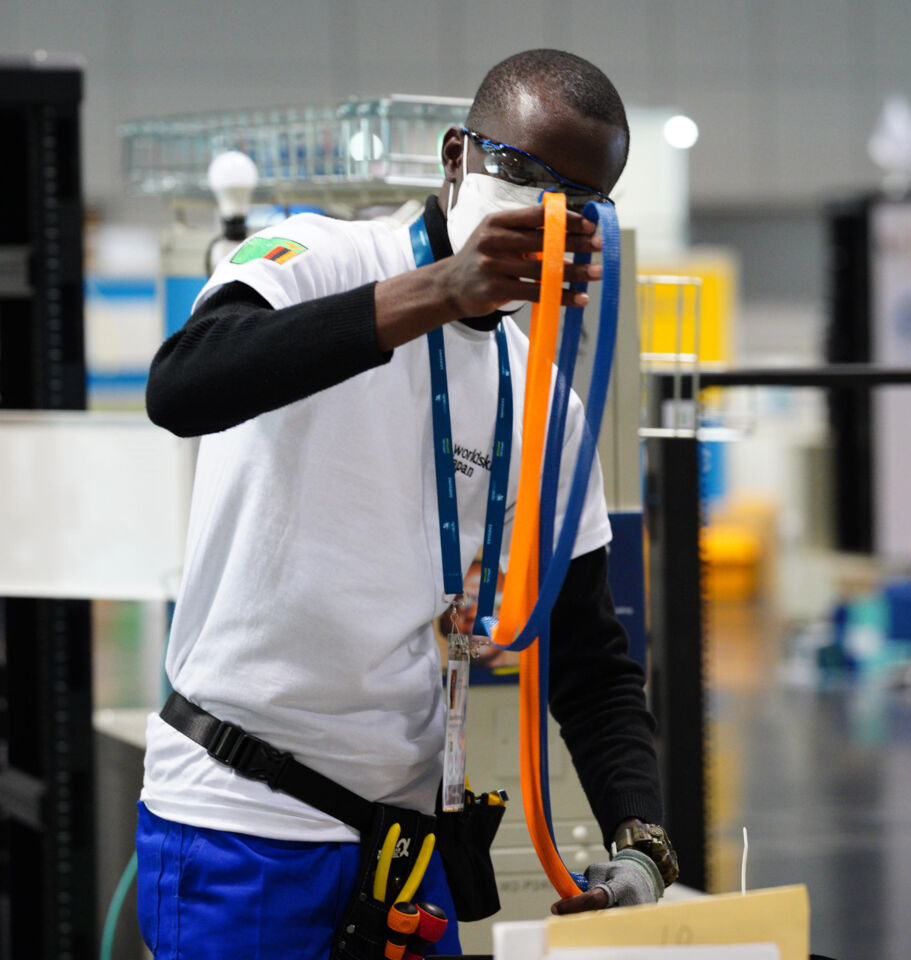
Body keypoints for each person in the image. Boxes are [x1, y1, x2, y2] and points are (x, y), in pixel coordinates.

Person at [138, 49, 678, 959]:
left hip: (403, 852)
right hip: (240, 822)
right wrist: (439, 292)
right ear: (456, 155)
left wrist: (644, 845)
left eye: (583, 202)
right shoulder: (321, 257)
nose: (552, 217)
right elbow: (183, 386)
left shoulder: (547, 403)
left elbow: (593, 665)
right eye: (529, 178)